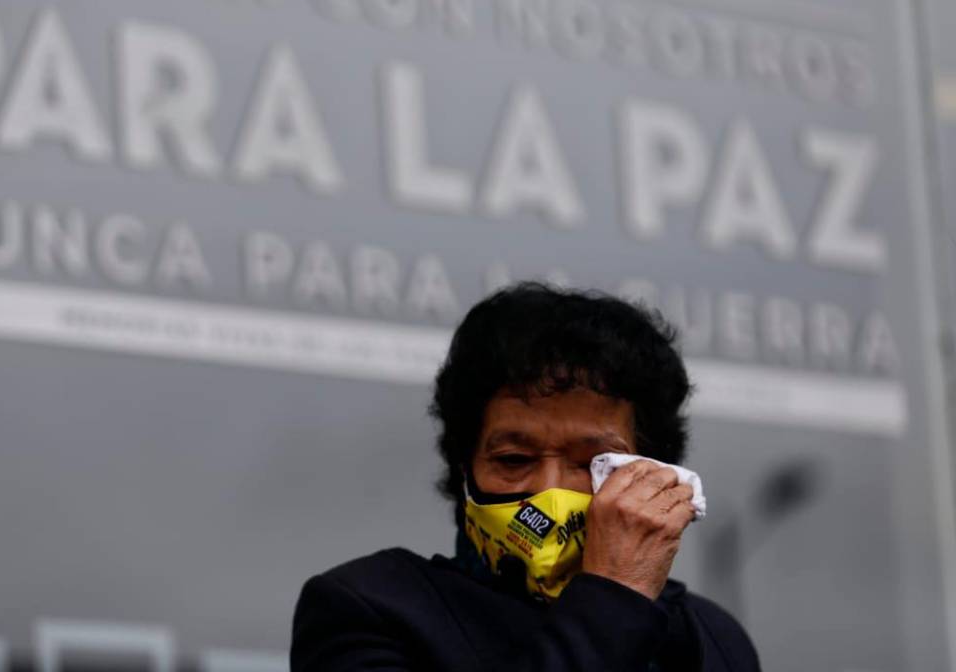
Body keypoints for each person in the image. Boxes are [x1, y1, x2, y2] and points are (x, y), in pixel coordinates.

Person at [290, 283, 760, 671]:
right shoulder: (369, 608)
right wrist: (615, 598)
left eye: (591, 464)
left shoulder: (710, 638)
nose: (549, 489)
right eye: (514, 460)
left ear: (652, 473)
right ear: (465, 469)